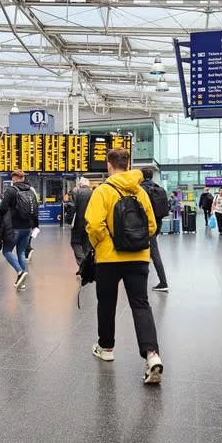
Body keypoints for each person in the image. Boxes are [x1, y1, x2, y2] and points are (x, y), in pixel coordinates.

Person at [85, 148, 163, 384]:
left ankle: (106, 348)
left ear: (109, 165)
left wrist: (104, 244)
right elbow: (151, 226)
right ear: (128, 164)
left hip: (109, 258)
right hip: (138, 257)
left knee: (107, 303)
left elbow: (93, 224)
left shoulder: (103, 191)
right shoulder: (140, 192)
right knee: (140, 304)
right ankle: (151, 355)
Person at [0, 170, 39, 290]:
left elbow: (2, 208)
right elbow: (36, 209)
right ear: (23, 178)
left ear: (14, 178)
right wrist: (36, 225)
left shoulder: (11, 190)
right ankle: (22, 282)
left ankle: (20, 272)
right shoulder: (31, 190)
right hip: (27, 227)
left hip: (14, 227)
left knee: (7, 251)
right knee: (21, 252)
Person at [140, 168, 170, 292]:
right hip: (157, 223)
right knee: (150, 251)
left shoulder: (141, 189)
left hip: (145, 225)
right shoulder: (158, 187)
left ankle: (163, 282)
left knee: (153, 252)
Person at [69, 177, 93, 267]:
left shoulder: (76, 192)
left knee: (75, 242)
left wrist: (70, 221)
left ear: (80, 184)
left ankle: (83, 264)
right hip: (90, 223)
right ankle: (87, 265)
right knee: (86, 245)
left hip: (78, 223)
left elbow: (72, 207)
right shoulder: (94, 193)